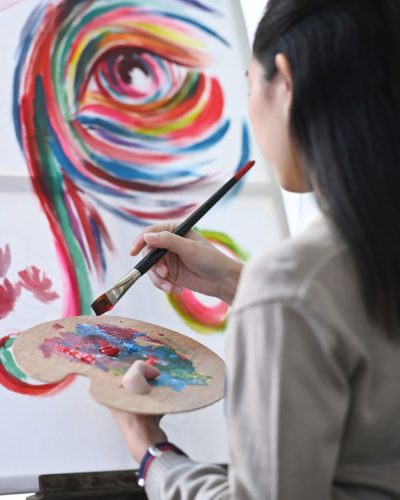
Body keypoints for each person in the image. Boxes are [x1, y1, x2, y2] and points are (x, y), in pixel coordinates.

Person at [111, 0, 400, 498]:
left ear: (284, 81)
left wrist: (150, 449)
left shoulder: (295, 281)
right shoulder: (331, 269)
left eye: (248, 85)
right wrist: (236, 282)